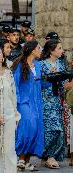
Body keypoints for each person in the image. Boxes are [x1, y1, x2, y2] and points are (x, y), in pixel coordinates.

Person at [12, 41, 44, 171]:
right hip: (23, 102)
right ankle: (20, 158)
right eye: (39, 48)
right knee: (27, 128)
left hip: (37, 102)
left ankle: (26, 161)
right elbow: (14, 85)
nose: (41, 50)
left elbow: (42, 83)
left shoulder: (37, 65)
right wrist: (17, 102)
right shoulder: (20, 65)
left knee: (36, 129)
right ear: (32, 50)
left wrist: (52, 79)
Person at [40, 39, 66, 169]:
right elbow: (38, 83)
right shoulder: (42, 65)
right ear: (52, 50)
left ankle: (51, 156)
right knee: (51, 129)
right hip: (45, 100)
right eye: (59, 48)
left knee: (59, 131)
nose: (62, 51)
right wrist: (50, 75)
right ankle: (48, 155)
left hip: (57, 101)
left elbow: (64, 84)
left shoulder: (62, 64)